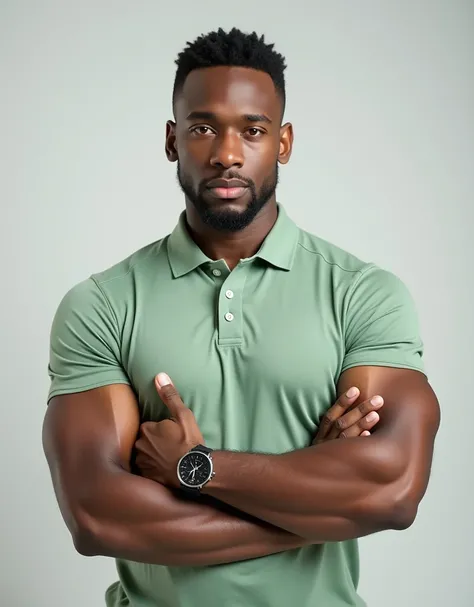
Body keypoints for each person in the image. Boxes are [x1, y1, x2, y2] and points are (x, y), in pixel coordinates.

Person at [42, 27, 440, 607]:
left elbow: (393, 490)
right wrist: (320, 508)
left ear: (283, 142)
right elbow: (98, 516)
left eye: (252, 131)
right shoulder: (102, 305)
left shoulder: (365, 295)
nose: (227, 154)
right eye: (203, 128)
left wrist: (194, 468)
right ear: (173, 140)